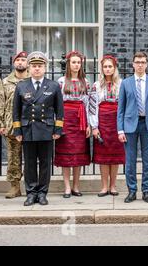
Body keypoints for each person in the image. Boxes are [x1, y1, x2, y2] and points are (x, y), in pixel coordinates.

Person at [12, 51, 64, 206]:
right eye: (34, 66)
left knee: (45, 163)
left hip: (46, 130)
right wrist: (17, 130)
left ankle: (42, 193)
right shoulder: (22, 85)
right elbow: (16, 111)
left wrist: (57, 130)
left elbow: (59, 110)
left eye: (40, 66)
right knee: (29, 163)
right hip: (28, 130)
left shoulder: (53, 85)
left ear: (45, 67)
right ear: (29, 67)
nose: (36, 69)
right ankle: (31, 193)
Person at [117, 51, 148, 203]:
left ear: (147, 64)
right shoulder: (126, 83)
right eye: (138, 62)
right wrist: (120, 129)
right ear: (133, 64)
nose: (140, 65)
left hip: (147, 125)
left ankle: (146, 191)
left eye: (143, 62)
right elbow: (120, 108)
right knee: (130, 160)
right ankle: (132, 191)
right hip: (130, 126)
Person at [55, 51, 91, 198]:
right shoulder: (61, 81)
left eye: (78, 62)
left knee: (78, 156)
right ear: (69, 64)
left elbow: (88, 104)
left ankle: (76, 186)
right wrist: (57, 123)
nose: (76, 65)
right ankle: (67, 187)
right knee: (66, 155)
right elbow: (57, 104)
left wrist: (88, 124)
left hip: (80, 120)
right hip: (66, 119)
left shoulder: (86, 82)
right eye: (73, 62)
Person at [89, 55, 125, 197]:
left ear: (114, 68)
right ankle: (104, 186)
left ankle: (113, 186)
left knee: (115, 156)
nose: (108, 69)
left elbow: (125, 105)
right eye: (105, 66)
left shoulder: (122, 84)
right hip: (102, 122)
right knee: (103, 156)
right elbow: (92, 107)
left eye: (110, 66)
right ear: (102, 69)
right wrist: (94, 126)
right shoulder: (96, 85)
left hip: (117, 122)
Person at [0, 51, 29, 198]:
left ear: (27, 63)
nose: (20, 62)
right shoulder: (5, 82)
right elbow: (1, 103)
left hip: (30, 125)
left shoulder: (33, 80)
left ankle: (32, 187)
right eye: (18, 60)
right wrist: (0, 123)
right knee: (13, 157)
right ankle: (15, 187)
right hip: (11, 125)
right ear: (14, 63)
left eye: (23, 60)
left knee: (31, 157)